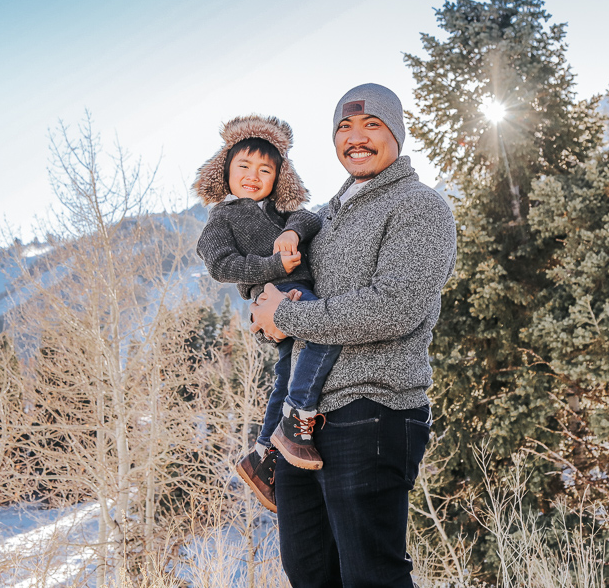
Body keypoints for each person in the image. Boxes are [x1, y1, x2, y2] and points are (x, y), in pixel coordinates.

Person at [250, 83, 457, 587]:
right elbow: (288, 304)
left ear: (396, 135)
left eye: (371, 126)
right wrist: (268, 315)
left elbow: (394, 308)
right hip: (300, 426)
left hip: (373, 411)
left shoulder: (420, 207)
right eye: (344, 127)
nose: (355, 138)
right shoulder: (324, 216)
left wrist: (291, 317)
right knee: (309, 573)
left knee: (371, 576)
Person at [193, 115, 343, 513]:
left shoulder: (280, 210)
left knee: (286, 371)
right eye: (243, 167)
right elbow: (223, 266)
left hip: (296, 289)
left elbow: (307, 217)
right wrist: (275, 267)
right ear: (224, 170)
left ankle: (262, 455)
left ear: (279, 176)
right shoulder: (221, 219)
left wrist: (292, 232)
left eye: (266, 170)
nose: (253, 176)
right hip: (277, 293)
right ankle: (297, 417)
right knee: (328, 329)